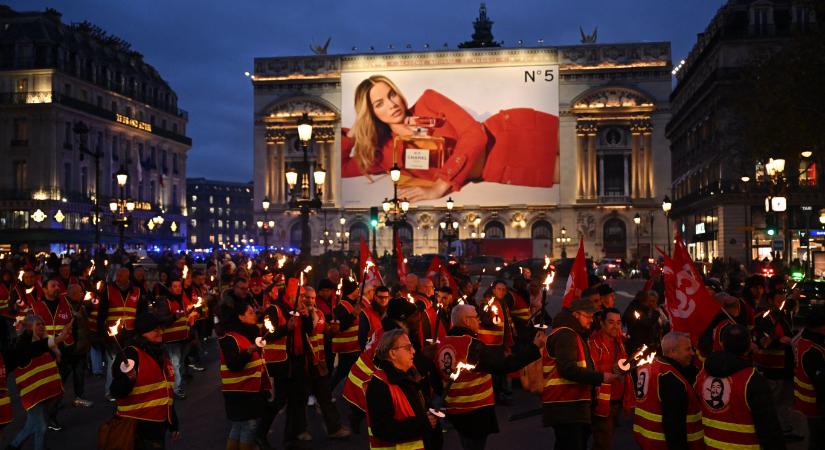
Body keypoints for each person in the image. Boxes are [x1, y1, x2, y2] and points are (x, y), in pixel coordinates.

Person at [341, 75, 560, 201]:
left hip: (509, 131)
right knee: (573, 174)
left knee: (576, 140)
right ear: (370, 113)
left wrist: (439, 186)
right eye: (379, 104)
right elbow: (339, 168)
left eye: (392, 94)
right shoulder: (384, 154)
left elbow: (475, 135)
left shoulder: (429, 101)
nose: (392, 104)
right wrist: (352, 133)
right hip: (500, 169)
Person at [438, 304, 544, 450]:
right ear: (466, 321)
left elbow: (438, 380)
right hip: (475, 412)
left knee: (466, 444)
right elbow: (504, 365)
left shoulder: (443, 343)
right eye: (476, 317)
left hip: (455, 411)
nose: (479, 321)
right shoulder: (470, 345)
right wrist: (534, 348)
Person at [542, 298, 620, 450]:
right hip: (566, 405)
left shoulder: (573, 334)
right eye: (588, 315)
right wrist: (601, 377)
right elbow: (567, 369)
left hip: (570, 405)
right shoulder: (566, 334)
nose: (591, 320)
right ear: (576, 315)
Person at [695, 324, 785, 449]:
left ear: (722, 344)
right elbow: (768, 426)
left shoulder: (703, 374)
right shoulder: (752, 379)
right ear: (748, 346)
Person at [7, 315, 71, 450]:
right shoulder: (23, 348)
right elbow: (35, 349)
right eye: (37, 324)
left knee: (31, 426)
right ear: (29, 328)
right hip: (32, 396)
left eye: (42, 323)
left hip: (43, 394)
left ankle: (13, 446)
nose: (42, 326)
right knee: (41, 427)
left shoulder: (46, 345)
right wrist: (59, 338)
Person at [365, 329, 437, 449]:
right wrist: (423, 423)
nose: (413, 351)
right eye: (408, 348)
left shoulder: (407, 376)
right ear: (393, 353)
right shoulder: (380, 385)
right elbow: (382, 429)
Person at [632, 332, 703, 450]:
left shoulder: (648, 368)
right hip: (663, 444)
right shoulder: (671, 378)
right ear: (672, 352)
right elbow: (674, 426)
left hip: (646, 440)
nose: (692, 353)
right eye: (688, 349)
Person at [219, 303, 269, 450]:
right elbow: (233, 364)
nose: (255, 315)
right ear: (240, 317)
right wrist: (248, 352)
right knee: (249, 426)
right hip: (240, 393)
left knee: (238, 427)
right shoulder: (230, 338)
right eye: (250, 312)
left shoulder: (248, 335)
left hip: (249, 390)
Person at [754, 288, 799, 439]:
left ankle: (785, 429)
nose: (782, 303)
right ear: (770, 300)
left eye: (783, 300)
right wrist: (779, 340)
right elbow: (762, 341)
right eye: (779, 300)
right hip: (772, 369)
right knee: (772, 401)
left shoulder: (784, 315)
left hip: (786, 367)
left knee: (785, 401)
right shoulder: (764, 317)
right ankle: (770, 432)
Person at [587, 308, 633, 450]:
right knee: (604, 443)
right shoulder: (594, 343)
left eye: (618, 323)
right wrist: (612, 370)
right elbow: (590, 373)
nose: (616, 326)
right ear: (602, 323)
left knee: (603, 441)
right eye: (611, 322)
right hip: (602, 402)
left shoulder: (619, 340)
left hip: (617, 399)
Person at [794, 306, 825, 449]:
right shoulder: (813, 352)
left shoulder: (803, 339)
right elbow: (822, 385)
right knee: (818, 440)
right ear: (821, 327)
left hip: (807, 404)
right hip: (816, 406)